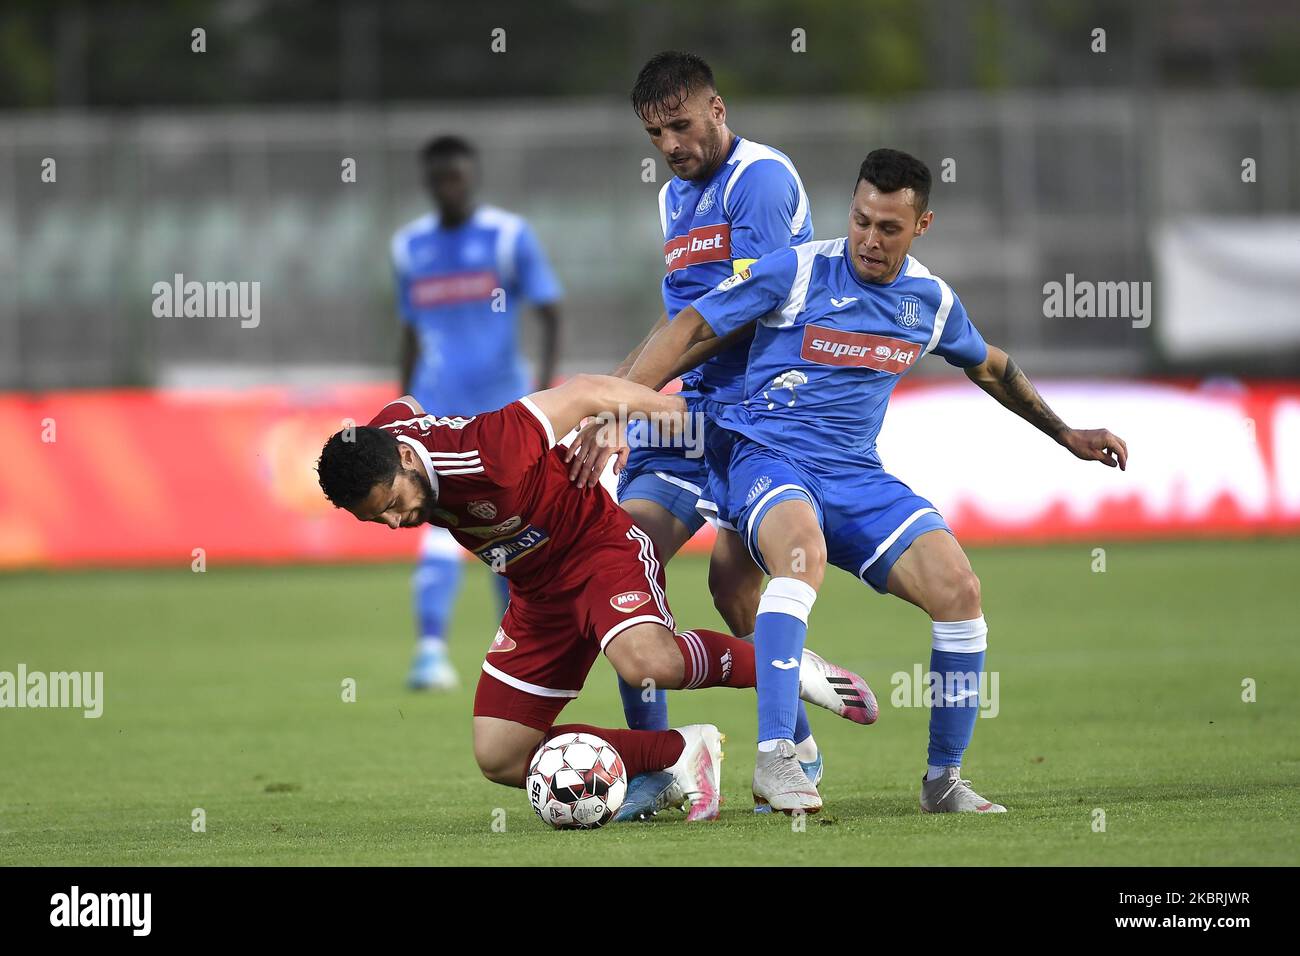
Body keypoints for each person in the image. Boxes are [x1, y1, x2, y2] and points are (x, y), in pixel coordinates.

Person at [621, 148, 1129, 814]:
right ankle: (776, 759)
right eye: (861, 220)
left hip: (855, 471)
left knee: (959, 588)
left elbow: (994, 367)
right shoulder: (799, 271)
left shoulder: (930, 302)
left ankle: (942, 781)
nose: (869, 238)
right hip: (761, 452)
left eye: (889, 227)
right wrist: (614, 404)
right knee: (800, 556)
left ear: (922, 226)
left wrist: (1066, 434)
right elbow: (690, 324)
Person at [315, 372, 877, 820]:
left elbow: (584, 391)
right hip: (536, 592)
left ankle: (786, 668)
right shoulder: (383, 448)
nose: (394, 521)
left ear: (410, 461)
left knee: (646, 663)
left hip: (595, 550)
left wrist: (679, 420)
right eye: (377, 518)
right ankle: (681, 751)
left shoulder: (490, 449)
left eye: (393, 502)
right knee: (500, 755)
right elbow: (405, 406)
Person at [564, 51, 825, 816]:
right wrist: (606, 398)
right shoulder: (673, 201)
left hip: (762, 416)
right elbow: (675, 321)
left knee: (735, 588)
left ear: (717, 108)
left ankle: (794, 744)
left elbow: (728, 317)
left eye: (681, 125)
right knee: (623, 563)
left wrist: (621, 405)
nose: (671, 146)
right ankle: (661, 765)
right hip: (687, 417)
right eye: (655, 135)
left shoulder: (761, 182)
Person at [391, 134, 563, 689]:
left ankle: (510, 649)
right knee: (436, 529)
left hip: (499, 418)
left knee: (507, 534)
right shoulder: (408, 247)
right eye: (440, 178)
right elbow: (410, 331)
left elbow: (550, 312)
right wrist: (401, 405)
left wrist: (541, 395)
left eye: (458, 177)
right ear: (428, 182)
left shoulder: (508, 237)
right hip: (436, 413)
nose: (449, 187)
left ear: (473, 176)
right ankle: (430, 652)